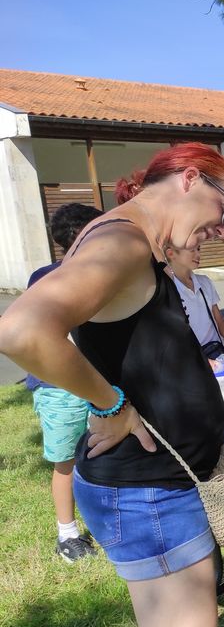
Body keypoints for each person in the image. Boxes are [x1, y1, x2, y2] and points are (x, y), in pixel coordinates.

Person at [0, 142, 224, 627]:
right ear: (191, 178)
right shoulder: (121, 240)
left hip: (150, 490)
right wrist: (110, 402)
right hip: (150, 494)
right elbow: (21, 329)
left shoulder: (135, 240)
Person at [24, 202, 104, 563]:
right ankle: (67, 534)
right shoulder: (46, 277)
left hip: (101, 383)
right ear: (82, 236)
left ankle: (103, 520)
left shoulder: (104, 273)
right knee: (66, 461)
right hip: (60, 389)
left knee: (101, 453)